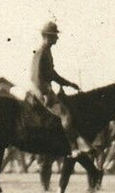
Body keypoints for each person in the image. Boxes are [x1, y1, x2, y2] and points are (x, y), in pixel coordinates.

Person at [30, 21, 92, 156]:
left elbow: (52, 74)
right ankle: (74, 148)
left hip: (44, 88)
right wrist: (45, 93)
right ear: (47, 36)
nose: (57, 38)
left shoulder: (47, 52)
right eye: (54, 35)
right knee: (65, 114)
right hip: (41, 90)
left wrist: (69, 84)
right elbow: (36, 76)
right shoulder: (41, 52)